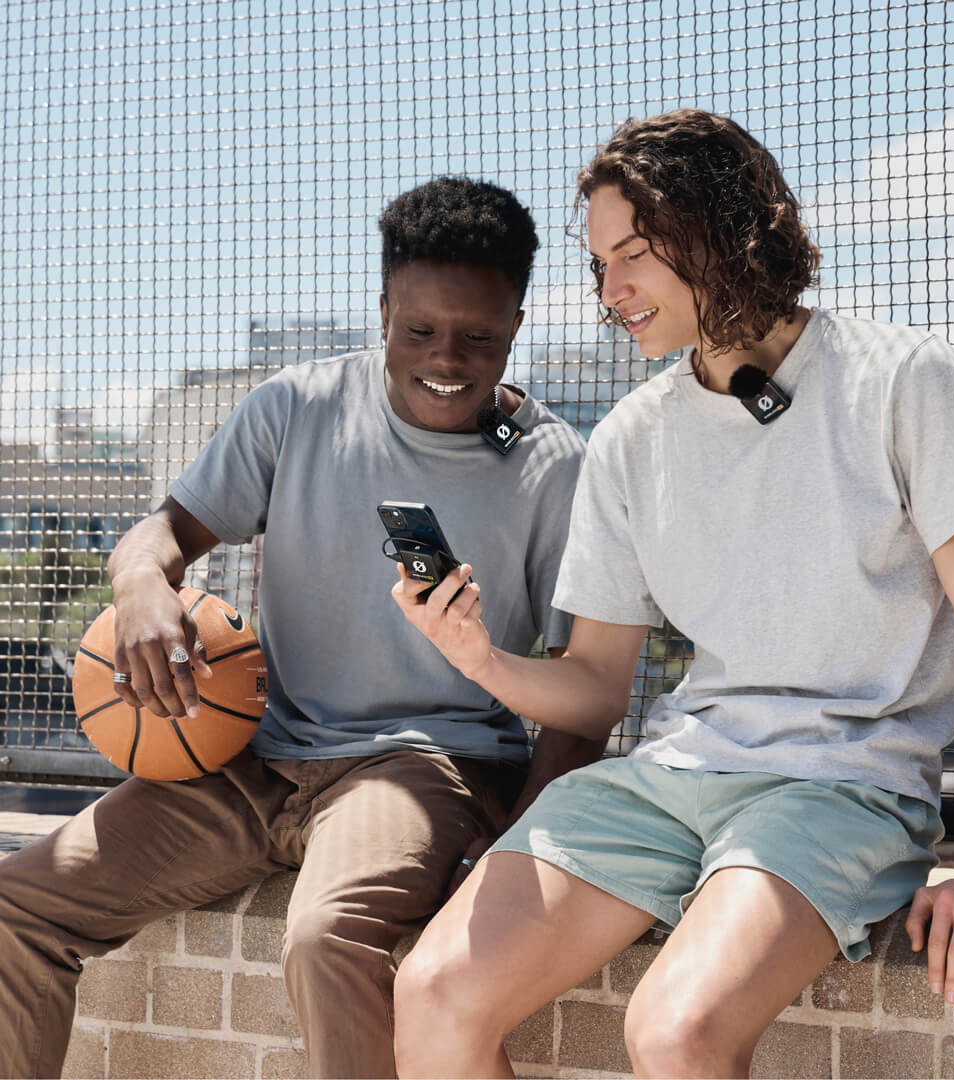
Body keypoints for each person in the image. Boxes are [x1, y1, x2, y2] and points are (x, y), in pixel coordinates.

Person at [390, 111, 954, 1079]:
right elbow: (598, 687)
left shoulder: (902, 380)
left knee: (676, 1031)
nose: (610, 293)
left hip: (841, 788)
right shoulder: (631, 439)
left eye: (634, 256)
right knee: (433, 990)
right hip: (672, 779)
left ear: (722, 231)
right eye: (602, 264)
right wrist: (479, 658)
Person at [0, 176, 595, 1080]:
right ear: (383, 308)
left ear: (515, 323)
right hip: (256, 753)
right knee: (18, 905)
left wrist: (519, 834)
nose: (447, 357)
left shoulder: (552, 465)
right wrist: (137, 585)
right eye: (419, 330)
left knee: (326, 939)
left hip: (424, 765)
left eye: (477, 335)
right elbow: (164, 533)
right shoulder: (296, 405)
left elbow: (583, 688)